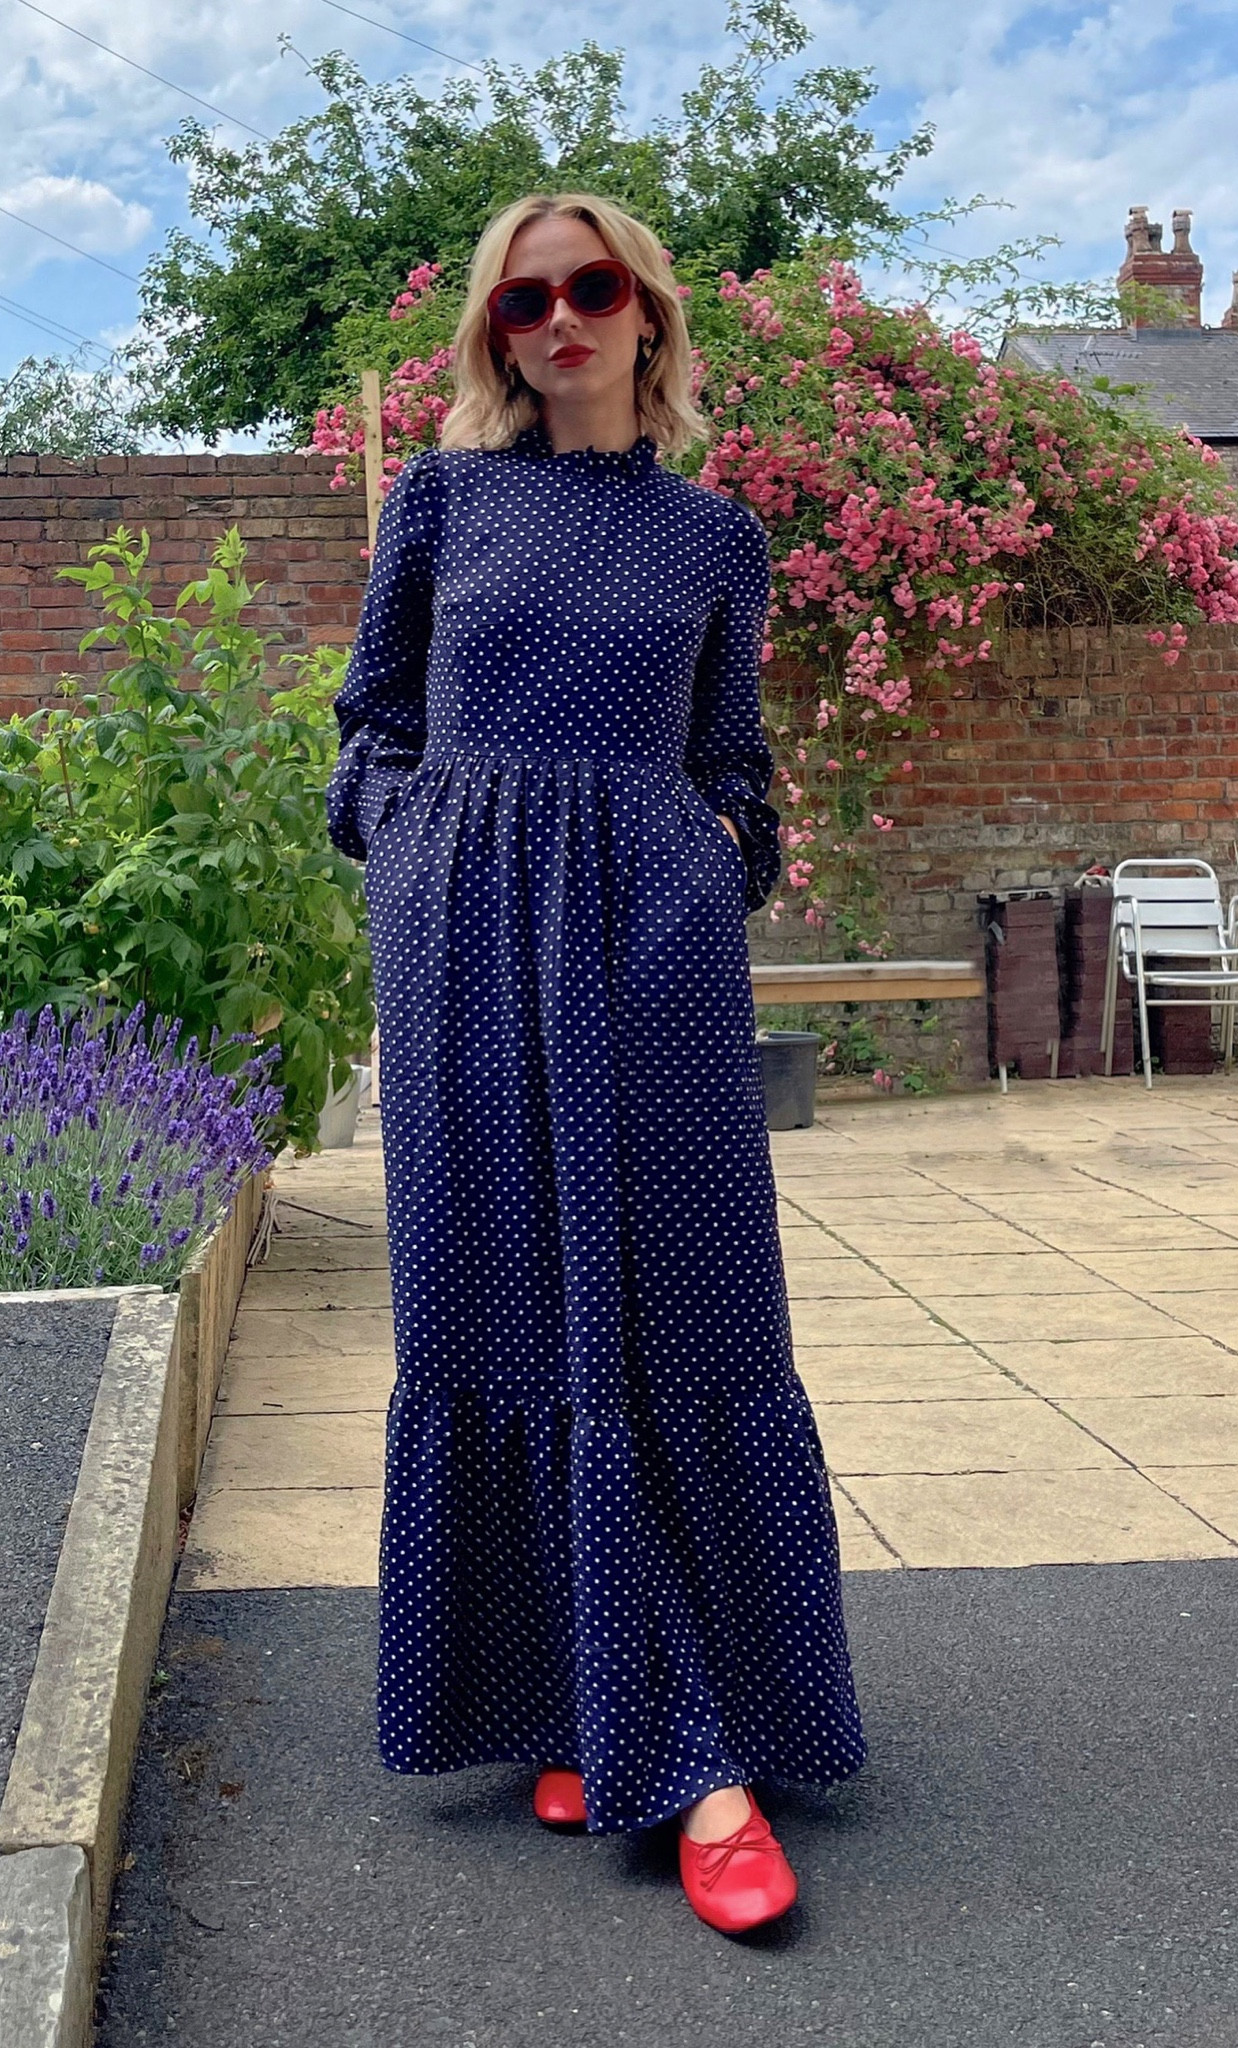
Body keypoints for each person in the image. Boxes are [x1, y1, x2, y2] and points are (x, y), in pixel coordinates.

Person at [325, 190, 865, 1935]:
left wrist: (719, 860)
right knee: (496, 1301)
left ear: (647, 316)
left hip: (653, 948)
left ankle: (674, 1725)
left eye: (592, 287)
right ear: (498, 335)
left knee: (684, 1307)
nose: (558, 317)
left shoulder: (717, 538)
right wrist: (408, 850)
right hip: (467, 938)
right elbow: (373, 722)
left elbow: (740, 756)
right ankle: (601, 1707)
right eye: (524, 300)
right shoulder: (443, 500)